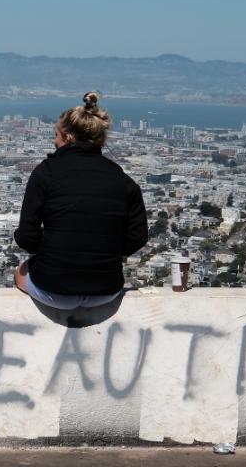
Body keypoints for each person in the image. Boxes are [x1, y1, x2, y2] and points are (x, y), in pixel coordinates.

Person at [14, 91, 149, 309]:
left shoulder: (45, 173)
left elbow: (26, 237)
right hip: (106, 290)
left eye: (56, 135)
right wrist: (109, 252)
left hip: (53, 290)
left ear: (67, 137)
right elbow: (138, 236)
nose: (54, 140)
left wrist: (51, 249)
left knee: (20, 272)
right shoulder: (123, 179)